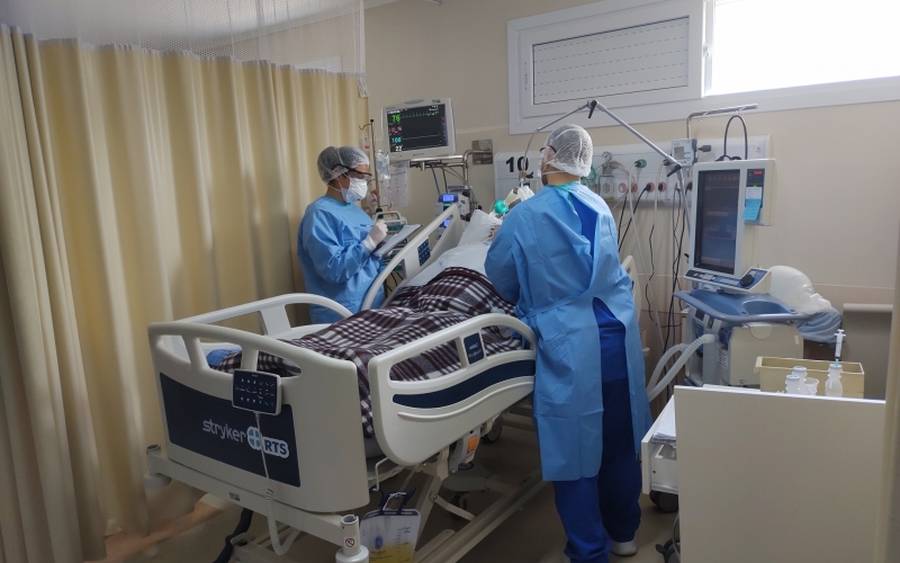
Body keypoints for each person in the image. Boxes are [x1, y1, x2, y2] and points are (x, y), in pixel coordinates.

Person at [485, 124, 651, 563]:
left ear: (549, 156)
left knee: (575, 450)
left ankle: (588, 552)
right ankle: (624, 535)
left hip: (570, 343)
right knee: (619, 441)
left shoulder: (525, 216)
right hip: (617, 336)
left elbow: (500, 277)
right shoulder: (599, 204)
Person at [298, 146, 387, 324]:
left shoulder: (356, 211)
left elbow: (367, 260)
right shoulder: (319, 214)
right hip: (340, 314)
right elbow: (333, 270)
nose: (364, 182)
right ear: (339, 174)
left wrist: (382, 249)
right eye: (360, 176)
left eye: (366, 177)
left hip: (372, 305)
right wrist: (369, 243)